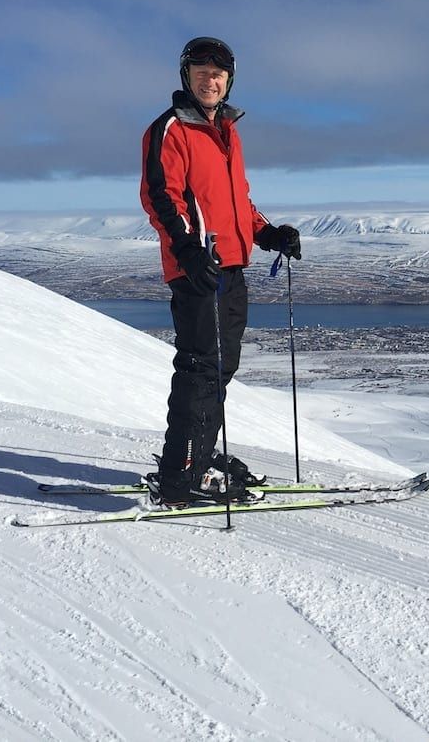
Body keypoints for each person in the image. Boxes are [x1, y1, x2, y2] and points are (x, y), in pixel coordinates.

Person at [140, 36, 301, 507]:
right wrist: (190, 252)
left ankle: (199, 458)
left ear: (229, 80)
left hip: (230, 268)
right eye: (201, 72)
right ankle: (178, 476)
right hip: (197, 271)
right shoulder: (170, 129)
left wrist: (268, 233)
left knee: (221, 369)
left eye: (219, 73)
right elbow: (161, 197)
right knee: (199, 371)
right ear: (185, 76)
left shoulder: (228, 131)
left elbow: (236, 203)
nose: (210, 80)